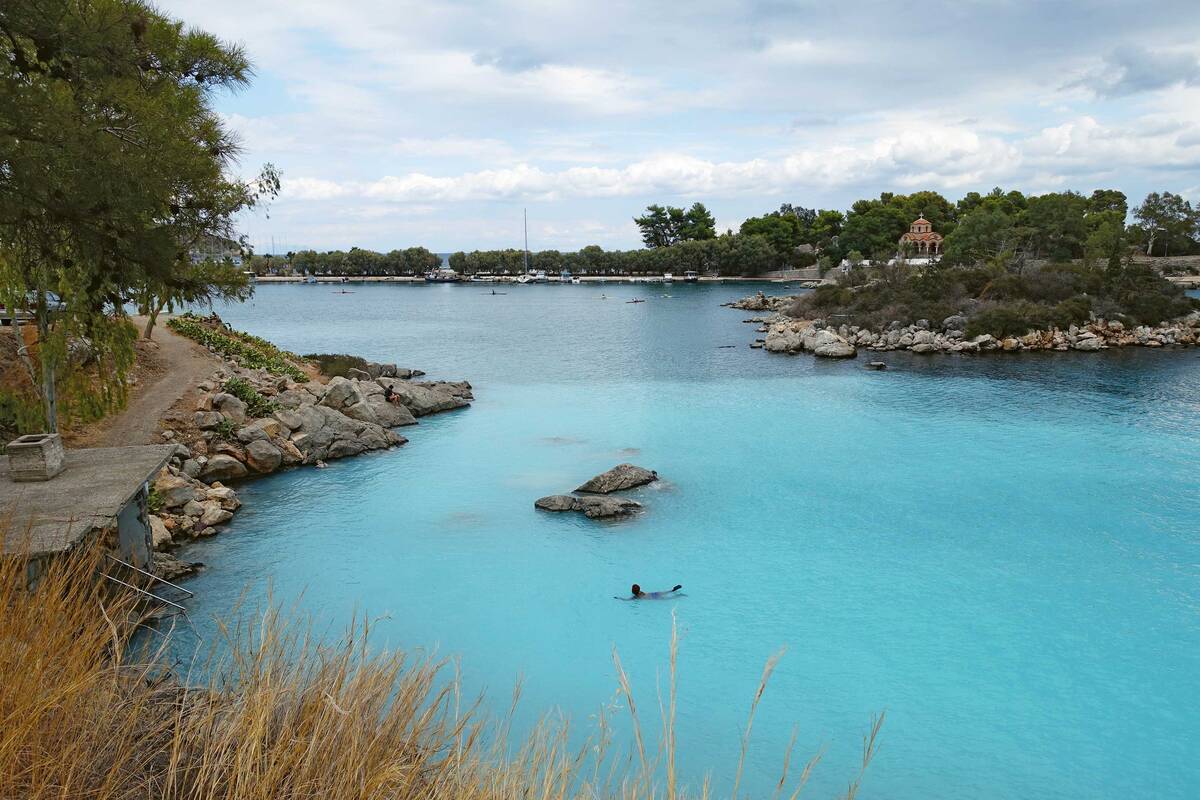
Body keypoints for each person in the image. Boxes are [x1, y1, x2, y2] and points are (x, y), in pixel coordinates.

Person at [616, 583, 683, 600]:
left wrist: (619, 598)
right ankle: (672, 590)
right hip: (653, 594)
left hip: (653, 598)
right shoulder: (641, 592)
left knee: (668, 599)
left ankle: (679, 595)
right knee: (665, 592)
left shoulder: (636, 597)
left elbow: (626, 600)